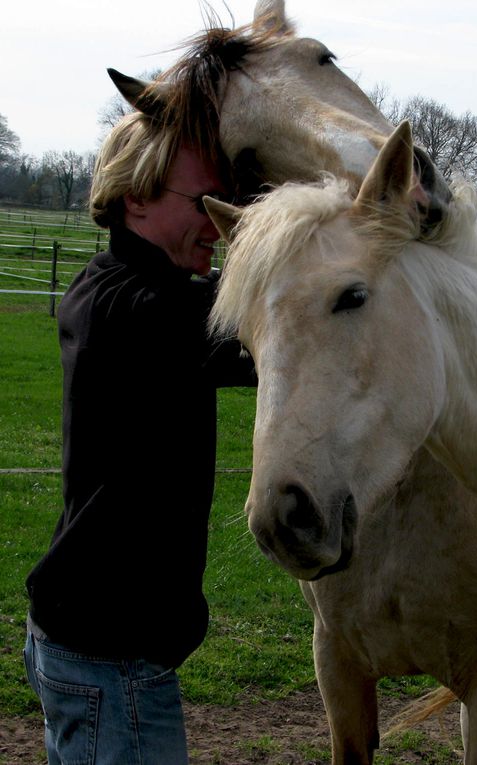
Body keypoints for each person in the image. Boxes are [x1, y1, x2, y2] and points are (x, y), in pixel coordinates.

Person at [23, 111, 256, 764]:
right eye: (205, 202)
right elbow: (271, 315)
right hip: (110, 659)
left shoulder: (106, 289)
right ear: (137, 196)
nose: (220, 224)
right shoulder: (141, 312)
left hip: (86, 641)